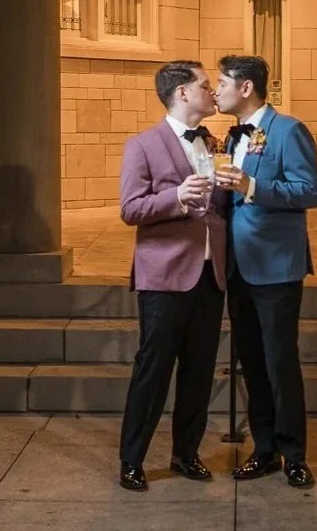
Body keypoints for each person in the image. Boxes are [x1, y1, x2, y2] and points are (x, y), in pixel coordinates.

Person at [116, 60, 229, 492]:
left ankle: (186, 454)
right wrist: (176, 197)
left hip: (209, 275)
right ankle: (132, 459)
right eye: (205, 85)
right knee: (154, 369)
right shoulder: (142, 145)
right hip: (163, 277)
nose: (212, 92)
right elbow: (131, 209)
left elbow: (218, 208)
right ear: (182, 92)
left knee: (199, 370)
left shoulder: (213, 141)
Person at [213, 54, 317, 489]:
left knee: (280, 362)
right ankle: (264, 450)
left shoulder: (289, 130)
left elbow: (309, 192)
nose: (216, 90)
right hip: (238, 266)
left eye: (222, 82)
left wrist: (251, 186)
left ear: (245, 88)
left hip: (276, 267)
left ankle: (294, 454)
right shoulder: (230, 136)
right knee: (252, 363)